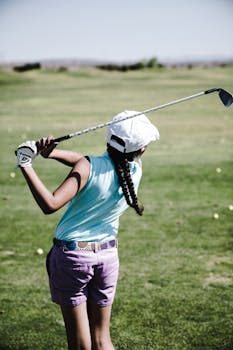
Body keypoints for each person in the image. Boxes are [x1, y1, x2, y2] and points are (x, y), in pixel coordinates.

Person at [15, 110, 160, 350]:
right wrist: (53, 154)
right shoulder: (134, 171)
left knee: (81, 344)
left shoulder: (89, 166)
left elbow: (50, 204)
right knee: (102, 340)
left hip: (73, 258)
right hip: (107, 257)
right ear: (141, 149)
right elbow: (85, 162)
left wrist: (25, 163)